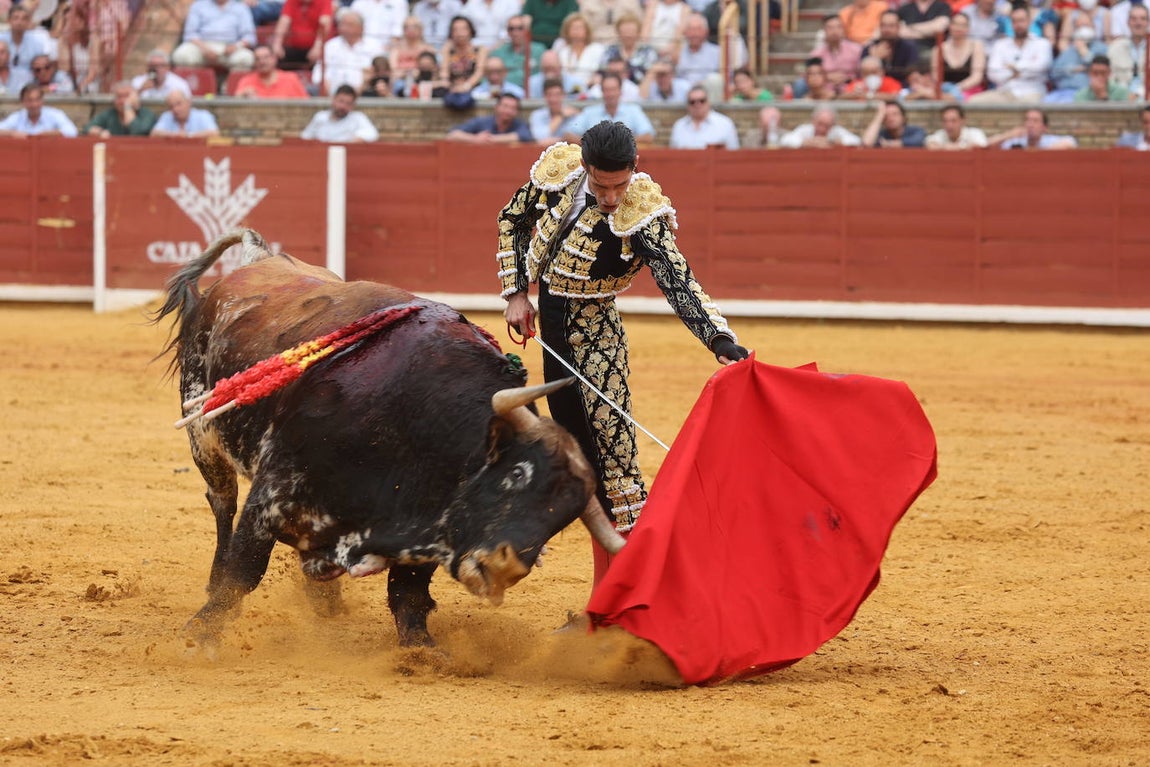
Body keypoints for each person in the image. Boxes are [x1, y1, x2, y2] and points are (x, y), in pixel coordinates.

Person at [495, 120, 748, 583]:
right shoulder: (561, 172)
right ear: (587, 167)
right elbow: (512, 218)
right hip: (551, 328)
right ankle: (606, 594)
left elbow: (677, 282)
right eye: (603, 185)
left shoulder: (641, 210)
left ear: (635, 168)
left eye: (621, 184)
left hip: (596, 335)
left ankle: (627, 594)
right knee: (574, 453)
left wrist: (719, 340)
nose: (613, 197)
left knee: (614, 463)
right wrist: (516, 292)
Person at [970, 4, 1052, 103]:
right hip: (1005, 92)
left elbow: (1041, 67)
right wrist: (1023, 70)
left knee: (1028, 105)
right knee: (974, 102)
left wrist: (1013, 68)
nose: (1018, 25)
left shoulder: (1042, 43)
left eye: (1022, 20)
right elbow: (992, 73)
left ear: (1029, 21)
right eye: (1014, 21)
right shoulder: (1000, 44)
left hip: (1032, 92)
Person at [563, 72, 654, 143]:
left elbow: (648, 135)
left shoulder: (633, 110)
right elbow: (569, 135)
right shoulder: (589, 112)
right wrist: (592, 146)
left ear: (620, 91)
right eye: (607, 90)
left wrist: (621, 145)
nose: (610, 94)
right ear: (602, 91)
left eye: (613, 89)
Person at [173, 0, 257, 74]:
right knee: (181, 55)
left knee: (246, 58)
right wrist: (205, 49)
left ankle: (230, 89)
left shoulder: (241, 8)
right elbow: (190, 33)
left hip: (229, 47)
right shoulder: (198, 5)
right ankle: (195, 87)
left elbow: (249, 36)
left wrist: (236, 46)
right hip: (201, 45)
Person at [314, 10, 382, 95]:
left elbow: (380, 74)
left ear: (361, 28)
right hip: (331, 96)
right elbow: (318, 74)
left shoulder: (374, 46)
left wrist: (364, 85)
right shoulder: (330, 46)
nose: (344, 28)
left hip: (365, 95)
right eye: (342, 24)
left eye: (349, 25)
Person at [1046, 18, 1107, 102]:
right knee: (1043, 104)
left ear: (1093, 27)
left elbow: (1100, 70)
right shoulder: (1069, 50)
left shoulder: (1101, 48)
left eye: (1086, 26)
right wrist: (1073, 69)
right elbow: (1053, 73)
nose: (1083, 29)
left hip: (1087, 93)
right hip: (1062, 91)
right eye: (1079, 27)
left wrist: (1086, 54)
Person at [300, 83, 379, 141]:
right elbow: (305, 137)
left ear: (353, 105)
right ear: (333, 99)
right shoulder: (320, 117)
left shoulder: (357, 118)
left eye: (348, 103)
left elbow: (372, 134)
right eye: (341, 101)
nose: (343, 106)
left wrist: (357, 139)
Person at [445, 91, 533, 143]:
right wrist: (474, 139)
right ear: (496, 107)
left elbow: (525, 136)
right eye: (505, 106)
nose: (508, 111)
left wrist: (491, 139)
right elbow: (453, 134)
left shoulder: (519, 124)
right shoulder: (482, 122)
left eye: (512, 108)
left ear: (517, 112)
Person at [862, 11, 921, 85]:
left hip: (902, 89)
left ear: (898, 27)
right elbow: (862, 76)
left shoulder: (909, 47)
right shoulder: (870, 47)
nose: (887, 30)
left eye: (891, 26)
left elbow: (912, 75)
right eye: (883, 25)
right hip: (876, 90)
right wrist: (875, 58)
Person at [669, 85, 738, 148]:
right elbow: (673, 155)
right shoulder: (679, 125)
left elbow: (735, 153)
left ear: (708, 102)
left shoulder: (724, 124)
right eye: (692, 102)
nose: (697, 105)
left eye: (702, 101)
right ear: (688, 105)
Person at [268, 0, 332, 68]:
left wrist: (317, 47)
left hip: (316, 48)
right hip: (294, 48)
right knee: (276, 56)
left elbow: (324, 25)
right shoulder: (291, 1)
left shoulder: (325, 1)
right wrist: (277, 44)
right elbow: (284, 22)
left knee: (321, 59)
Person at [935, 12, 986, 97]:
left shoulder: (977, 46)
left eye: (963, 25)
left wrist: (956, 89)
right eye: (955, 24)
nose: (958, 28)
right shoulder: (938, 49)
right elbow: (936, 76)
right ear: (950, 26)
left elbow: (977, 76)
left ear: (968, 28)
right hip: (944, 91)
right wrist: (948, 90)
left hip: (971, 90)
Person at [488, 16, 547, 89]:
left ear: (526, 30)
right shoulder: (498, 53)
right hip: (505, 94)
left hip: (532, 93)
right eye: (511, 29)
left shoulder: (539, 50)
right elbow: (488, 77)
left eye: (520, 28)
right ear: (507, 32)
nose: (515, 32)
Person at [83, 79, 157, 136]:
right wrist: (100, 132)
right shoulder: (109, 114)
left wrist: (127, 106)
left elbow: (138, 132)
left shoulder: (147, 114)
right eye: (119, 97)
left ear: (135, 97)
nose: (122, 101)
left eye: (126, 96)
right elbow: (86, 129)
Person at [0, 83, 78, 136]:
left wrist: (48, 134)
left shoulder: (54, 114)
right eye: (30, 100)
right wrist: (12, 133)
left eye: (37, 100)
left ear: (42, 100)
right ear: (23, 102)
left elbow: (72, 131)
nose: (34, 104)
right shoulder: (18, 117)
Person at [552, 12, 606, 90]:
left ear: (587, 30)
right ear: (567, 31)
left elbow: (601, 72)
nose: (576, 31)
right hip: (567, 90)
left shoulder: (597, 49)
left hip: (592, 89)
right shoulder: (562, 52)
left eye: (580, 28)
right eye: (573, 28)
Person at [598, 13, 658, 83]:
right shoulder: (610, 50)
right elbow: (601, 71)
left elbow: (652, 75)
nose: (628, 35)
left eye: (631, 31)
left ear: (638, 33)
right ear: (618, 33)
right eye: (624, 31)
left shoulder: (648, 51)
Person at [808, 14, 862, 91]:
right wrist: (827, 77)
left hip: (852, 88)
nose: (835, 31)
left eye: (838, 27)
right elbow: (810, 76)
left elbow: (862, 73)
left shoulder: (856, 50)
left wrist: (848, 78)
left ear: (843, 30)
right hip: (825, 90)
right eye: (830, 28)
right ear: (824, 31)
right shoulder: (816, 54)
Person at [233, 44, 309, 96]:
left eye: (266, 57)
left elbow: (305, 105)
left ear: (274, 59)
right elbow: (235, 104)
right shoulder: (247, 81)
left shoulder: (291, 79)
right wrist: (242, 96)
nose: (262, 62)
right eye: (258, 59)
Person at [439, 14, 487, 95]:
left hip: (474, 89)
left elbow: (479, 72)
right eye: (455, 30)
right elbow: (444, 73)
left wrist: (465, 86)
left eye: (463, 29)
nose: (459, 33)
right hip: (452, 89)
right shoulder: (448, 50)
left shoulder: (480, 50)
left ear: (470, 31)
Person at [1108, 3, 1147, 99]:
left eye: (1143, 19)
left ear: (1148, 22)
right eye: (1134, 19)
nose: (1138, 23)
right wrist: (1123, 94)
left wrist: (1140, 94)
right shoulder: (1115, 47)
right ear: (1128, 22)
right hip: (1121, 100)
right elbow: (1110, 79)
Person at [988, 107, 1076, 149]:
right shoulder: (1017, 140)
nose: (1030, 124)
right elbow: (985, 145)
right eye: (1028, 120)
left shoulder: (1049, 141)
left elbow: (1070, 142)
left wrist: (1036, 154)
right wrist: (1008, 135)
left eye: (1035, 121)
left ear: (1044, 128)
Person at [778, 105, 861, 148]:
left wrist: (834, 142)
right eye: (820, 124)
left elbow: (857, 141)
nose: (822, 128)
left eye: (827, 125)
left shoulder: (836, 131)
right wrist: (806, 142)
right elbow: (785, 140)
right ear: (813, 121)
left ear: (832, 125)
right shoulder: (806, 129)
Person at [673, 13, 720, 86]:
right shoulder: (677, 53)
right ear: (685, 32)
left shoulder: (717, 52)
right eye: (691, 29)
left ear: (706, 31)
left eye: (698, 29)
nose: (694, 34)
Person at [389, 16, 437, 87]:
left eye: (414, 27)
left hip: (422, 81)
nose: (410, 30)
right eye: (407, 27)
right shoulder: (396, 49)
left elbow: (433, 70)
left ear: (421, 29)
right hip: (400, 81)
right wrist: (409, 74)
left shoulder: (428, 49)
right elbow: (393, 69)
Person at [150, 90, 220, 137]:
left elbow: (214, 134)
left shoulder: (203, 115)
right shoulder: (167, 116)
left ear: (188, 102)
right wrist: (175, 135)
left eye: (179, 104)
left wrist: (188, 136)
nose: (175, 109)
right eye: (171, 106)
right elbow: (154, 134)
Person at [530, 77, 577, 144]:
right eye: (549, 95)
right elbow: (540, 140)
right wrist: (560, 116)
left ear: (563, 95)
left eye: (557, 94)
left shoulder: (572, 113)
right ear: (544, 96)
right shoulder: (537, 115)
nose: (553, 99)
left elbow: (577, 138)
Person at [861, 100, 926, 147]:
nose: (890, 119)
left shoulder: (916, 131)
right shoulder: (882, 134)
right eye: (886, 116)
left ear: (903, 118)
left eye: (895, 114)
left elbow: (917, 141)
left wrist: (889, 144)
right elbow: (867, 143)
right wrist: (879, 115)